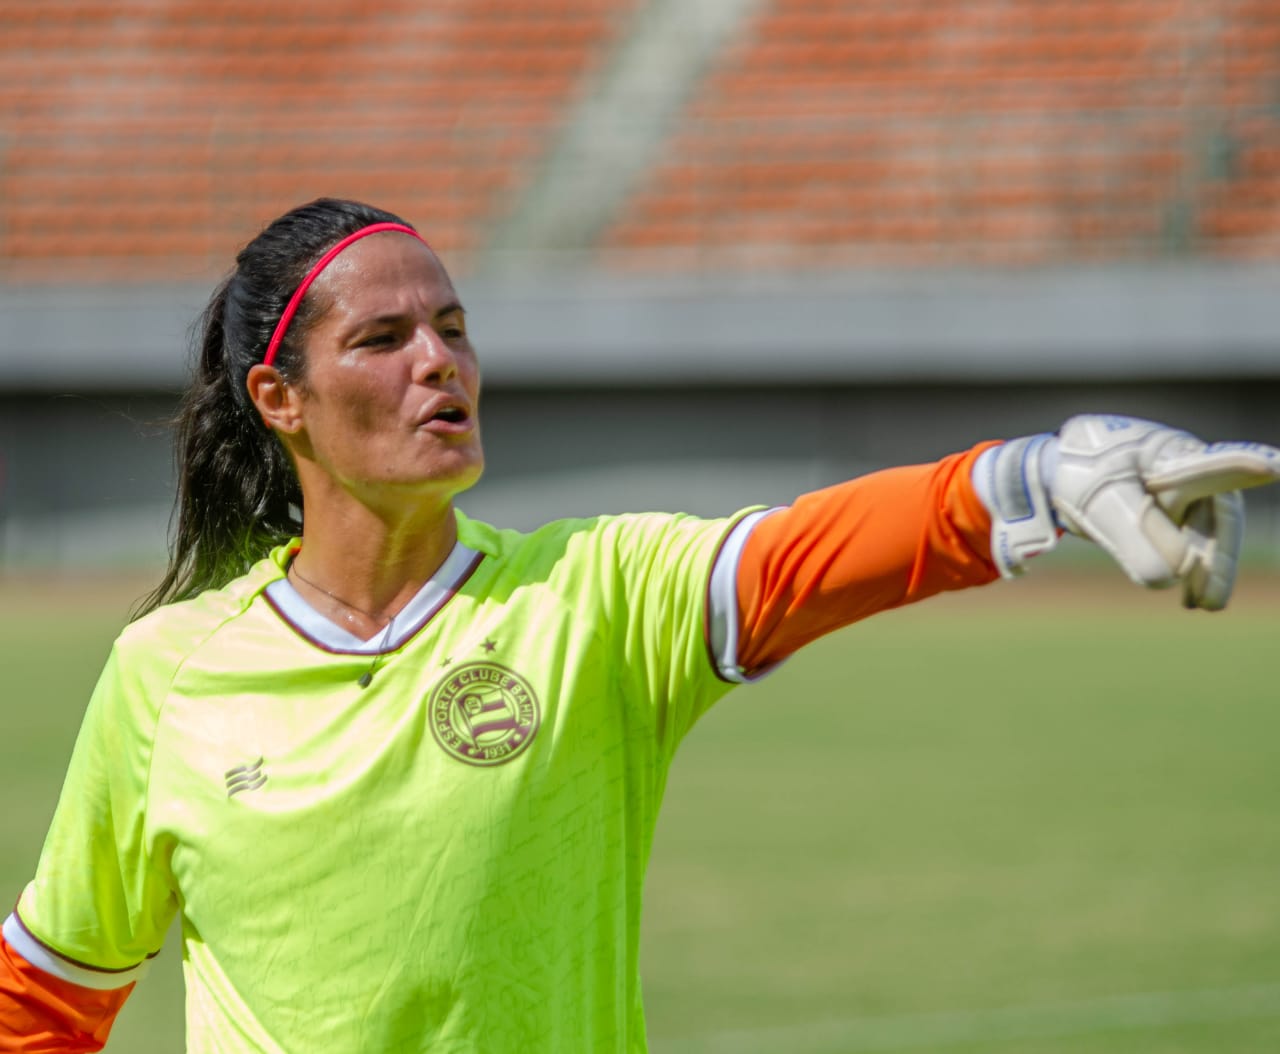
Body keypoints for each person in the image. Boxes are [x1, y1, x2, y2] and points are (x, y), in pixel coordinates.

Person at [1, 197, 1276, 1053]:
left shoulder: (592, 597)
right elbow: (53, 987)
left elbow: (802, 556)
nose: (437, 362)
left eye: (450, 327)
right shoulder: (168, 673)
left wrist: (1039, 475)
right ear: (278, 396)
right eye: (384, 339)